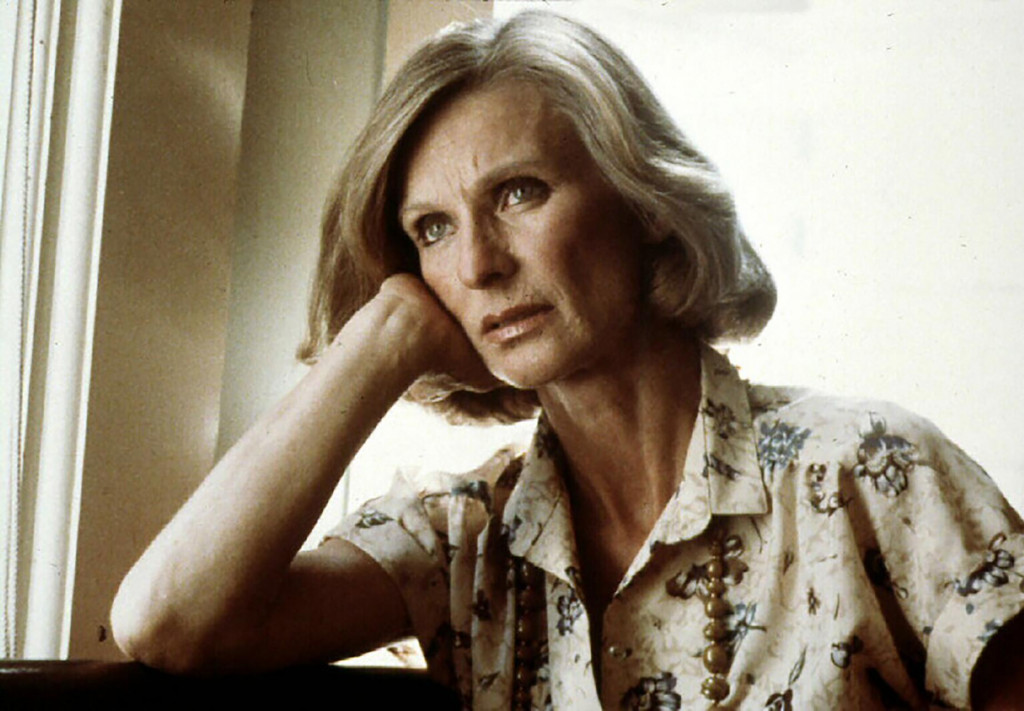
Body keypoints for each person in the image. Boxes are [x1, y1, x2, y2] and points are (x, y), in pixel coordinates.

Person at [111, 11, 1024, 709]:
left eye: (519, 192)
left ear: (646, 201)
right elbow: (167, 621)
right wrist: (384, 334)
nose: (478, 264)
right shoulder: (462, 538)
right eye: (432, 229)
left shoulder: (871, 468)